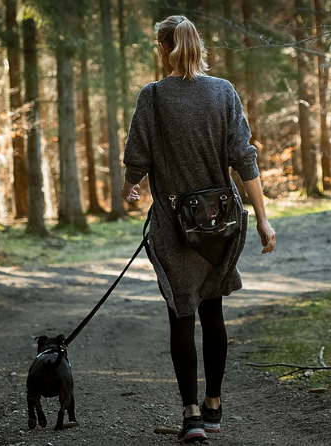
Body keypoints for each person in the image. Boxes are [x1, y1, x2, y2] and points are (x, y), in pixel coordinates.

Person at [121, 15, 276, 444]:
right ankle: (213, 405)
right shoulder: (223, 91)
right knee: (213, 312)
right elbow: (244, 158)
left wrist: (130, 188)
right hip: (221, 222)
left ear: (162, 48)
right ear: (197, 46)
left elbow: (137, 159)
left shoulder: (152, 96)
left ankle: (190, 415)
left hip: (174, 225)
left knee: (181, 315)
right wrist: (262, 218)